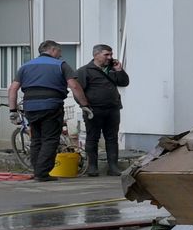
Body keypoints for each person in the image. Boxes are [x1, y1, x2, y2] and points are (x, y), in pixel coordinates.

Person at [11, 41, 73, 178]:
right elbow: (74, 85)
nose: (60, 55)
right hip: (51, 106)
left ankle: (36, 170)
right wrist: (84, 104)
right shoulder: (60, 65)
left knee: (36, 139)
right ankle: (42, 173)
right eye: (59, 51)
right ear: (52, 50)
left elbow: (13, 89)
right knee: (50, 139)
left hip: (30, 107)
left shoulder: (25, 66)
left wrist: (13, 111)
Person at [74, 45, 129, 178]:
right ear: (96, 55)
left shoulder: (112, 69)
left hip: (113, 108)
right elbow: (77, 90)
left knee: (112, 138)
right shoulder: (85, 71)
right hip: (94, 110)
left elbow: (124, 82)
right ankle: (92, 167)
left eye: (111, 54)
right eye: (106, 55)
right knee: (92, 138)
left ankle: (113, 167)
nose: (110, 57)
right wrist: (84, 106)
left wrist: (119, 70)